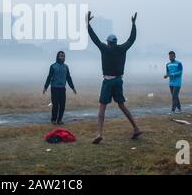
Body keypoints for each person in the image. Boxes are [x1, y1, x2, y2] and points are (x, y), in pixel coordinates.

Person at [87, 11, 142, 144]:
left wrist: (87, 24)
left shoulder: (104, 48)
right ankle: (136, 128)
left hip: (108, 81)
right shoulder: (122, 48)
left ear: (108, 42)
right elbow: (131, 39)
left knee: (102, 108)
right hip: (118, 80)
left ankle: (99, 133)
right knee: (122, 105)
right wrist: (134, 25)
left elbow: (94, 38)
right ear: (115, 42)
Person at [43, 51, 77, 125]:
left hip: (62, 88)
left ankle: (60, 120)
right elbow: (49, 77)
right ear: (57, 57)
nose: (62, 57)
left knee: (62, 105)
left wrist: (73, 87)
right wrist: (45, 87)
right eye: (61, 56)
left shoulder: (66, 67)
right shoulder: (53, 66)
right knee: (55, 105)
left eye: (63, 56)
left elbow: (68, 78)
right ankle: (53, 120)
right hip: (54, 88)